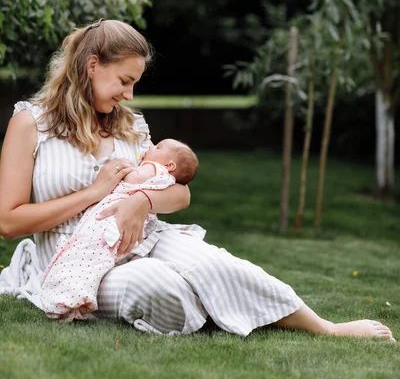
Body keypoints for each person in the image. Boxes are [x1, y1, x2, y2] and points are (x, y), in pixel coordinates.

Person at [0, 19, 395, 340]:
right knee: (161, 288)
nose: (130, 94)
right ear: (92, 66)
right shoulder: (31, 125)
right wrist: (94, 192)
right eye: (124, 81)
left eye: (134, 83)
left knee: (217, 264)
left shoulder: (131, 127)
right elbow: (8, 222)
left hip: (146, 236)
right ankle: (217, 311)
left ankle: (326, 327)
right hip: (78, 260)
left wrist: (144, 202)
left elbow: (178, 192)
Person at [40, 138, 198, 322]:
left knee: (91, 255)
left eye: (158, 147)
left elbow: (136, 179)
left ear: (170, 165)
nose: (152, 146)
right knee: (97, 259)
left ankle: (71, 294)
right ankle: (76, 294)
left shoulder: (154, 168)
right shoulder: (163, 175)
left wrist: (125, 170)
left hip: (113, 219)